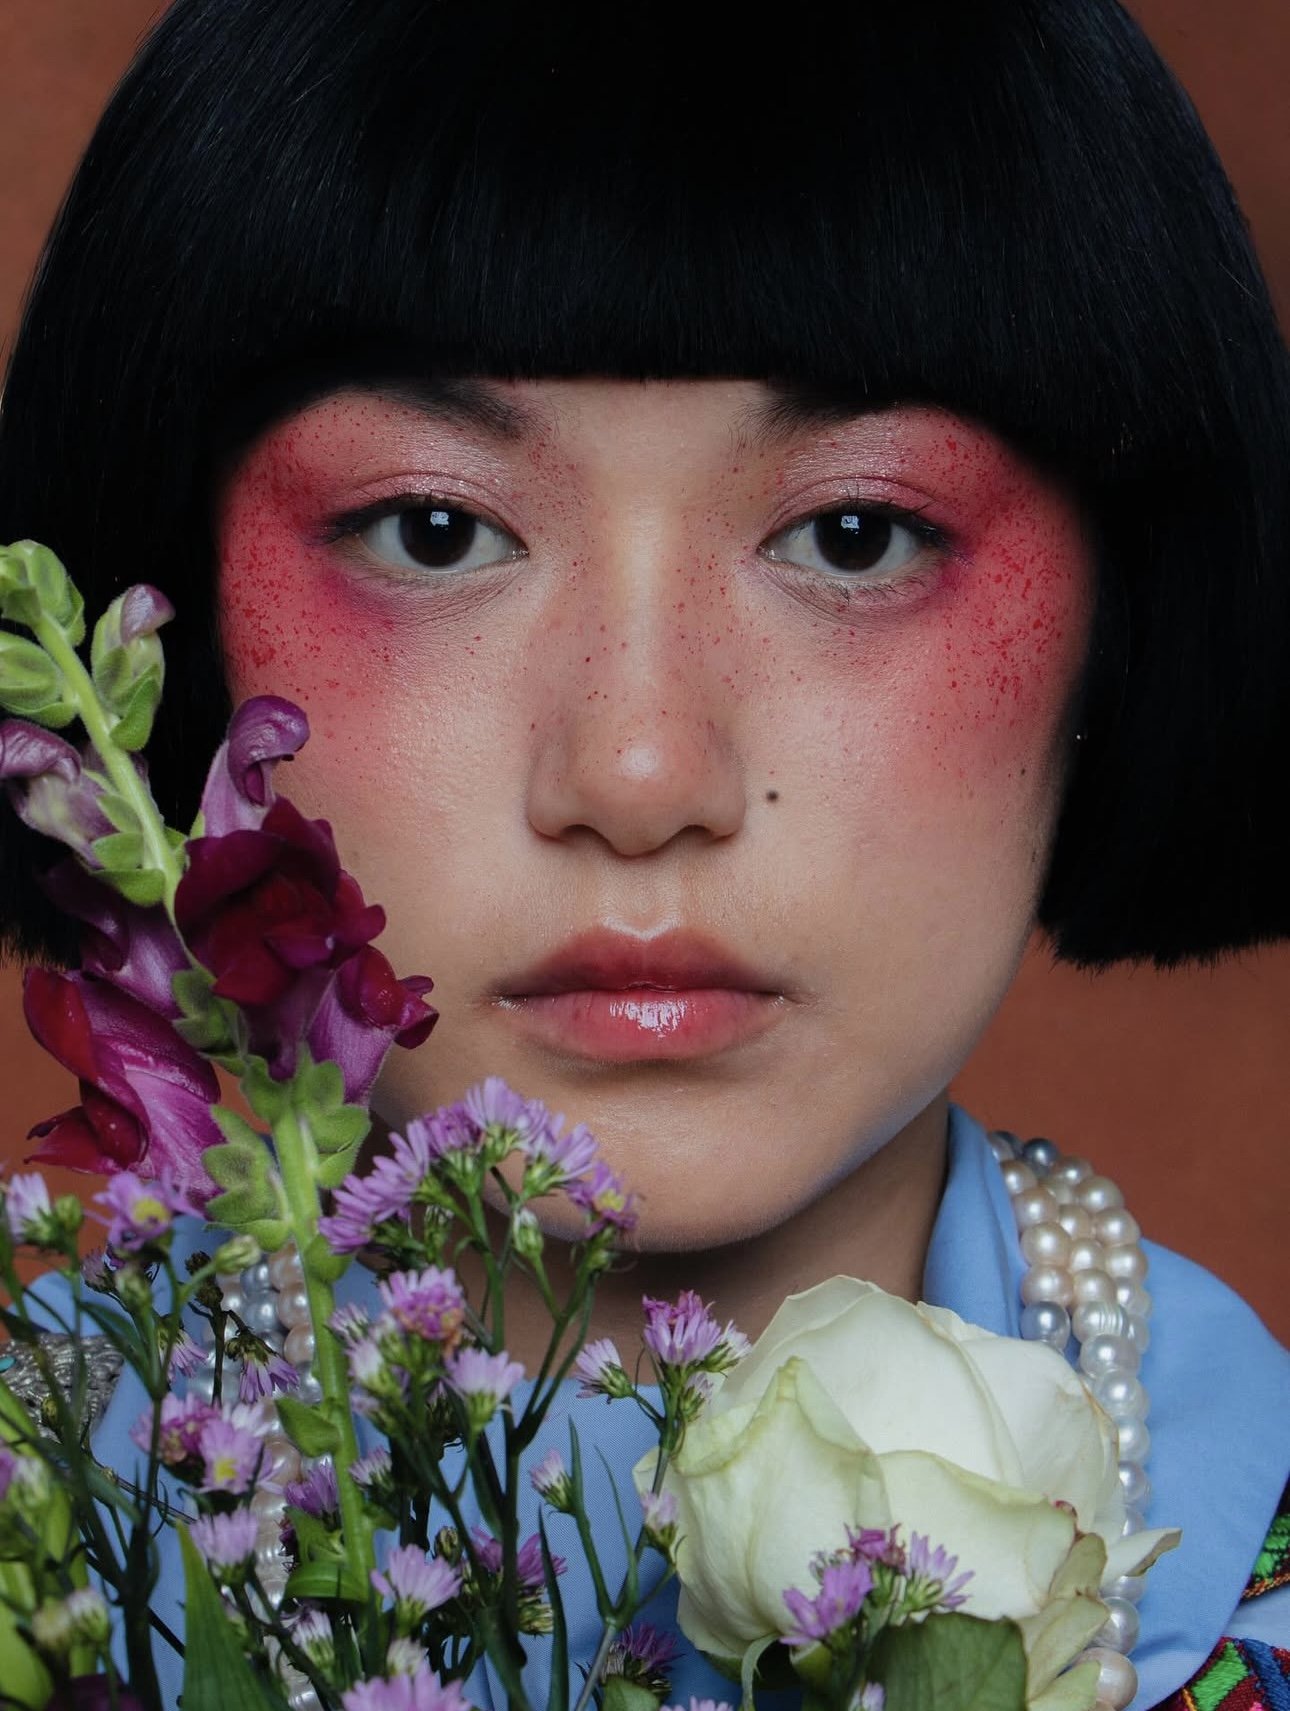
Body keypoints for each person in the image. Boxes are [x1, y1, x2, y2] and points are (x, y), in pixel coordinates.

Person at [0, 2, 1287, 1708]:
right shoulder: (45, 1520)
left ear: (1121, 609)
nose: (636, 770)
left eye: (850, 534)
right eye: (435, 530)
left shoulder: (1242, 1538)